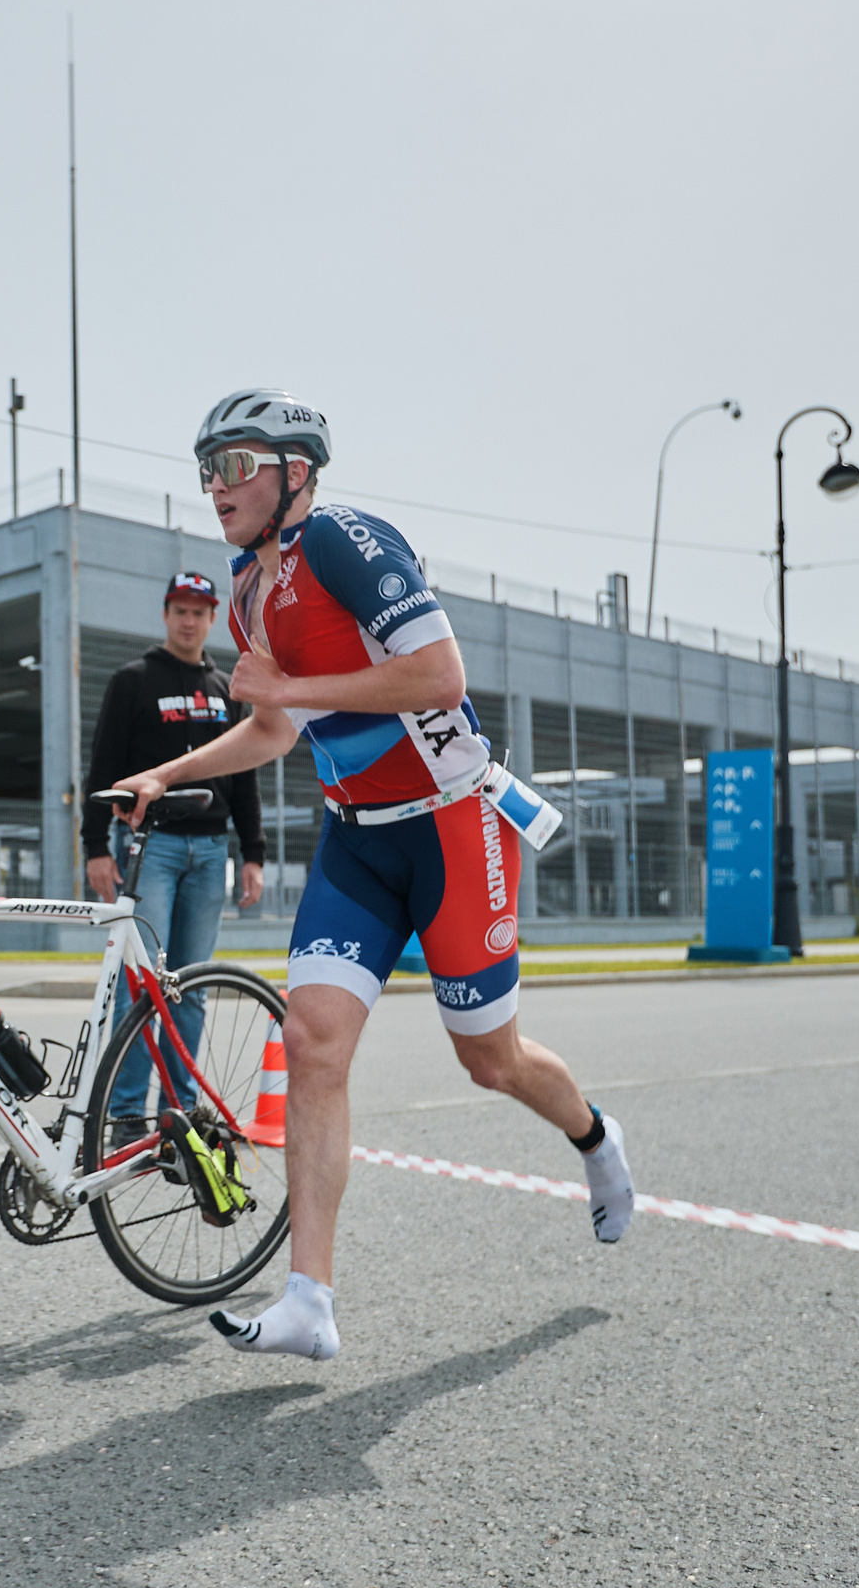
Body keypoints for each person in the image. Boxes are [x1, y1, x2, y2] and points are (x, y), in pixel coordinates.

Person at [109, 390, 634, 1363]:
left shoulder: (347, 541)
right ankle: (310, 1299)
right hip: (355, 840)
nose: (215, 487)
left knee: (491, 1061)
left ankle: (596, 1141)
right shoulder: (246, 589)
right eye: (205, 470)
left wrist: (291, 689)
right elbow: (274, 727)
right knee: (310, 1043)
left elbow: (439, 678)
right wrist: (168, 773)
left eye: (235, 465)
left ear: (294, 472)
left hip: (447, 830)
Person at [83, 572, 268, 1150]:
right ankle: (126, 1114)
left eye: (200, 612)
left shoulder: (223, 688)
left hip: (212, 851)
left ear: (212, 619)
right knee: (141, 984)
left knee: (190, 986)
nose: (190, 621)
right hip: (150, 850)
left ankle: (179, 1112)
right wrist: (94, 847)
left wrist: (253, 852)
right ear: (165, 615)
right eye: (180, 611)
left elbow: (243, 775)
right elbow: (103, 765)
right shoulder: (133, 680)